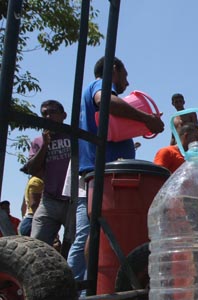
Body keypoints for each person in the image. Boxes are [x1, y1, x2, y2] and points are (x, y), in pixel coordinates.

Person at [75, 56, 164, 289]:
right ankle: (88, 286)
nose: (126, 82)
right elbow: (106, 101)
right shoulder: (100, 85)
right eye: (125, 75)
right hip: (105, 173)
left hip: (103, 171)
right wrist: (146, 118)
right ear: (114, 70)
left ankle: (93, 284)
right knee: (96, 231)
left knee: (97, 231)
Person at [21, 100, 73, 249]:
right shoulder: (38, 141)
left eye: (52, 112)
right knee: (37, 245)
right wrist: (45, 145)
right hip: (49, 200)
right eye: (44, 114)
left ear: (63, 115)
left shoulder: (74, 135)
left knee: (73, 246)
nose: (48, 117)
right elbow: (31, 169)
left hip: (73, 200)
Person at [18, 171, 44, 236]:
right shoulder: (36, 181)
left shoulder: (32, 181)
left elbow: (23, 208)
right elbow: (34, 204)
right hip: (32, 222)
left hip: (28, 221)